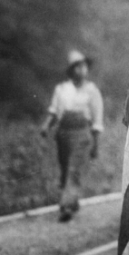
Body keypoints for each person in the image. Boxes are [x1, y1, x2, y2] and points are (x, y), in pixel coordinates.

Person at [41, 49, 104, 222]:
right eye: (77, 67)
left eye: (83, 66)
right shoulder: (62, 89)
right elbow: (54, 111)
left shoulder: (92, 91)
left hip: (82, 132)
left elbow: (97, 119)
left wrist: (95, 144)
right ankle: (72, 200)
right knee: (65, 168)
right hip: (63, 132)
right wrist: (47, 126)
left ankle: (66, 205)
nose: (81, 70)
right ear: (71, 70)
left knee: (73, 169)